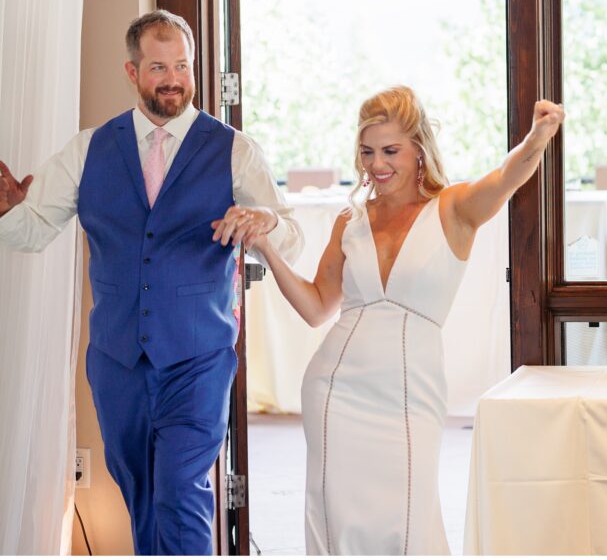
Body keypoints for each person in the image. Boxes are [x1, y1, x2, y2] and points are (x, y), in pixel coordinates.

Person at [0, 9, 302, 555]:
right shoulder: (88, 150)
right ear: (132, 73)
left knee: (180, 490)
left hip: (198, 357)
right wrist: (12, 212)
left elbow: (290, 233)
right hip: (116, 362)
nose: (173, 78)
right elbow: (33, 234)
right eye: (159, 67)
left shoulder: (235, 150)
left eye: (182, 64)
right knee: (142, 495)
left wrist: (264, 223)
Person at [239, 86, 563, 555]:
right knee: (335, 527)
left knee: (408, 525)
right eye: (368, 152)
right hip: (335, 391)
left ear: (419, 150)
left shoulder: (453, 209)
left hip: (411, 394)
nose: (377, 163)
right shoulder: (349, 221)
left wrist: (537, 137)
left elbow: (505, 179)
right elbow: (315, 308)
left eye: (390, 150)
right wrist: (266, 248)